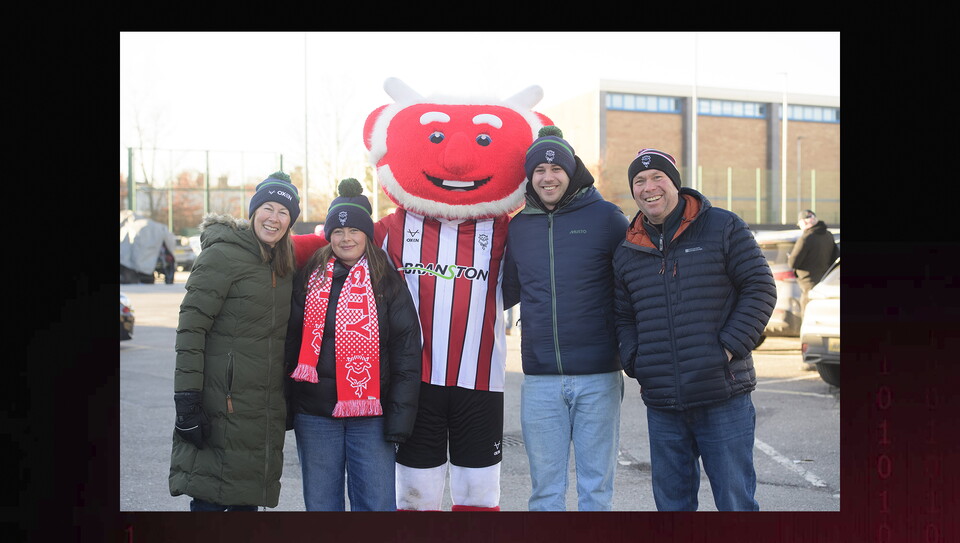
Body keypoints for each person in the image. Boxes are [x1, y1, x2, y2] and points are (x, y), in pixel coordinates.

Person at [613, 149, 776, 511]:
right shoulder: (628, 248)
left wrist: (728, 348)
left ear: (675, 183)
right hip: (663, 402)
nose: (648, 187)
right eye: (639, 181)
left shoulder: (722, 226)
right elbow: (623, 316)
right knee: (672, 506)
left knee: (735, 503)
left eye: (658, 177)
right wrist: (636, 360)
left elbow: (760, 288)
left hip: (723, 394)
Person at [502, 126, 628, 511]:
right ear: (530, 177)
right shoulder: (519, 226)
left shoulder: (607, 218)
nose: (547, 177)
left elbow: (633, 285)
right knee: (545, 492)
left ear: (571, 172)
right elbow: (504, 292)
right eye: (538, 170)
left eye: (555, 169)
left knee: (595, 490)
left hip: (598, 376)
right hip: (540, 378)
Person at [285, 179, 422, 511]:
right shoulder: (310, 277)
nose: (346, 239)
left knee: (376, 505)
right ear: (328, 235)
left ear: (366, 235)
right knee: (322, 506)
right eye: (338, 232)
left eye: (354, 231)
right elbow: (290, 343)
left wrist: (399, 421)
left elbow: (406, 354)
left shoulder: (388, 283)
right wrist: (286, 405)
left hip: (372, 415)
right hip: (315, 414)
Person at [169, 171, 300, 511]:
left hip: (261, 408)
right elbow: (190, 331)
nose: (274, 218)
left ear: (291, 221)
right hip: (219, 403)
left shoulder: (283, 264)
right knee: (210, 498)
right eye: (267, 208)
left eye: (283, 212)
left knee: (246, 500)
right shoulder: (222, 256)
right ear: (253, 210)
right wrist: (187, 401)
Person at [788, 209, 839, 317]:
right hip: (824, 280)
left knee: (807, 312)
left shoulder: (806, 238)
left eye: (800, 224)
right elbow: (836, 256)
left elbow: (793, 263)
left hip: (808, 283)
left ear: (804, 222)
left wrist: (790, 258)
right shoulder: (828, 235)